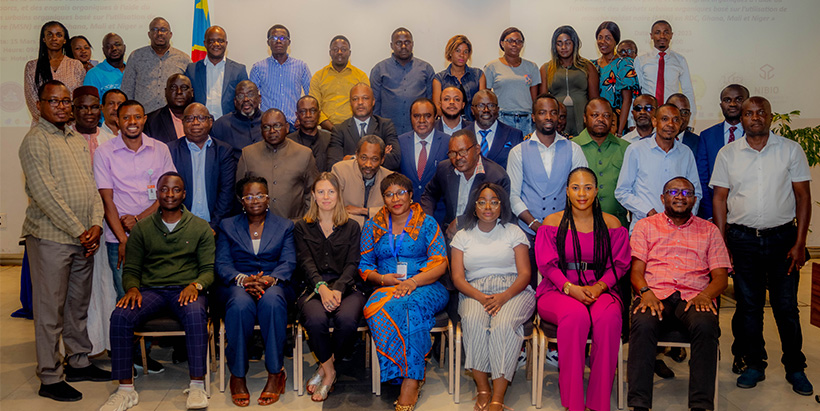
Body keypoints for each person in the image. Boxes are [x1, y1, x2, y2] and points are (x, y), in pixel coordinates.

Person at [712, 96, 814, 396]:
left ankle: (795, 367)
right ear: (740, 119)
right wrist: (721, 244)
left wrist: (800, 243)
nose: (754, 118)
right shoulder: (728, 154)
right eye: (748, 113)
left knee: (786, 308)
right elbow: (719, 198)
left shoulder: (790, 150)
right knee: (748, 307)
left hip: (783, 240)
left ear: (770, 116)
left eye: (760, 113)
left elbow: (803, 198)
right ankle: (755, 364)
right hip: (742, 241)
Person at [20, 80, 110, 402]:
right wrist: (79, 230)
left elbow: (92, 186)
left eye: (64, 102)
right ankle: (49, 376)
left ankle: (79, 361)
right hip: (51, 239)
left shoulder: (75, 139)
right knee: (50, 311)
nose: (61, 106)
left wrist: (96, 224)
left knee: (76, 307)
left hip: (84, 239)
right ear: (40, 104)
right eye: (53, 101)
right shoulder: (34, 141)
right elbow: (46, 195)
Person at [99, 172, 214, 411]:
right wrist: (131, 288)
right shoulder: (142, 228)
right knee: (120, 315)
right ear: (157, 193)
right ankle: (125, 389)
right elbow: (131, 268)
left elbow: (208, 270)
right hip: (151, 291)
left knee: (196, 316)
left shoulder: (200, 227)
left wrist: (195, 285)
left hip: (186, 290)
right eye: (164, 189)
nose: (169, 194)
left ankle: (196, 385)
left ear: (184, 194)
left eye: (175, 190)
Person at [628, 177, 730, 411]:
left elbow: (721, 277)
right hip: (655, 294)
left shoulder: (710, 230)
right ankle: (639, 404)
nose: (680, 196)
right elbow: (635, 271)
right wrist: (645, 292)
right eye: (673, 192)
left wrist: (706, 296)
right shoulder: (646, 226)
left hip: (695, 297)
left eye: (686, 193)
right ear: (663, 198)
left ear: (694, 199)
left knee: (706, 325)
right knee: (642, 323)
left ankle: (700, 405)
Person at [536, 167, 630, 411]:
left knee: (609, 317)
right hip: (558, 288)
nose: (582, 193)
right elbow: (547, 264)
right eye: (576, 188)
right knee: (575, 316)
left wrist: (600, 287)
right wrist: (570, 288)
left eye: (588, 187)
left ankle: (599, 402)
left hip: (601, 287)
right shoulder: (552, 223)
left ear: (597, 191)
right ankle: (573, 401)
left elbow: (619, 265)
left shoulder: (612, 224)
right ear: (567, 192)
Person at [359, 172, 449, 411]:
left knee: (408, 306)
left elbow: (441, 263)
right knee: (373, 308)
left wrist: (414, 282)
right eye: (389, 194)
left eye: (400, 193)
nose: (395, 198)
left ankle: (411, 380)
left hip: (426, 285)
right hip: (387, 286)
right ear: (383, 199)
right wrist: (381, 278)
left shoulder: (427, 223)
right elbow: (365, 265)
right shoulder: (373, 225)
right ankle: (404, 369)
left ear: (410, 195)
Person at [450, 183, 535, 411]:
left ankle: (498, 396)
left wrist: (503, 297)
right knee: (473, 322)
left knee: (503, 325)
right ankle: (483, 389)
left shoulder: (513, 231)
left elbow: (525, 274)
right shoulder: (462, 236)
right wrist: (481, 296)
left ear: (502, 205)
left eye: (494, 201)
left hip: (513, 289)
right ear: (474, 206)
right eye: (482, 201)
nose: (488, 206)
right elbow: (458, 278)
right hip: (473, 291)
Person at [215, 176, 296, 407]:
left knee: (272, 302)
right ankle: (237, 376)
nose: (255, 200)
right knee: (240, 305)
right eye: (249, 196)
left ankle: (274, 374)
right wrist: (242, 279)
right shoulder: (227, 225)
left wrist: (270, 279)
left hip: (274, 284)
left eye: (260, 195)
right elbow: (222, 263)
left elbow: (288, 262)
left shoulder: (285, 226)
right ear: (242, 201)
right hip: (238, 285)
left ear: (268, 198)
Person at [94, 100, 177, 302]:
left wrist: (139, 219)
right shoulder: (104, 152)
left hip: (158, 235)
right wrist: (124, 239)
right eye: (126, 117)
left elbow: (168, 196)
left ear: (144, 119)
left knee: (158, 294)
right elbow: (107, 200)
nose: (132, 121)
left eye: (137, 117)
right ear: (117, 120)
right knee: (127, 297)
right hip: (119, 239)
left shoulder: (161, 149)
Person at [294, 172, 365, 402]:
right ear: (313, 195)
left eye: (331, 191)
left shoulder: (353, 226)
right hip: (313, 288)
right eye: (321, 191)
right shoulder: (302, 227)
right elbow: (305, 263)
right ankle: (330, 373)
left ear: (338, 195)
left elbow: (353, 263)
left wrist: (338, 289)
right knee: (316, 320)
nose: (326, 197)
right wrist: (322, 288)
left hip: (346, 287)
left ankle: (325, 367)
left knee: (347, 320)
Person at [615, 104, 700, 231]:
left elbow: (696, 192)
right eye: (665, 119)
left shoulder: (686, 152)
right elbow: (622, 192)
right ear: (654, 121)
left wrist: (684, 217)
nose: (670, 124)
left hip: (679, 229)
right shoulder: (636, 150)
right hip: (645, 227)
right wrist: (648, 211)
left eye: (676, 120)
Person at [420, 129, 510, 239]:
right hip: (450, 235)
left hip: (483, 237)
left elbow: (501, 213)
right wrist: (428, 221)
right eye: (452, 153)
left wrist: (461, 221)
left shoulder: (496, 176)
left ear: (477, 149)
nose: (458, 158)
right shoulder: (444, 169)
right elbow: (429, 194)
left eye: (463, 152)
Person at [236, 108, 319, 219]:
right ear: (261, 130)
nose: (272, 131)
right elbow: (239, 193)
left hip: (294, 226)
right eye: (266, 127)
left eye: (277, 126)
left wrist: (305, 222)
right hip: (257, 226)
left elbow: (313, 193)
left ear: (287, 128)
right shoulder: (248, 154)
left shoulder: (304, 154)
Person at [167, 103, 237, 229]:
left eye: (201, 118)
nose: (195, 123)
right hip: (179, 227)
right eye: (189, 118)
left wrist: (214, 226)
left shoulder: (223, 151)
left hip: (215, 227)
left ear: (210, 122)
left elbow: (227, 192)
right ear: (182, 123)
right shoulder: (170, 150)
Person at [695, 84, 749, 221]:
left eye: (738, 99)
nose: (732, 104)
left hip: (749, 214)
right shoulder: (707, 136)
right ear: (721, 105)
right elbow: (702, 179)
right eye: (727, 100)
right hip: (714, 212)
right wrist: (710, 213)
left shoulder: (757, 135)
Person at [573, 98, 630, 227]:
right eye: (595, 115)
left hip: (617, 226)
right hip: (580, 227)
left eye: (606, 116)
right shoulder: (571, 147)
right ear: (585, 118)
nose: (601, 119)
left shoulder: (626, 148)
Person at [370, 27, 434, 136]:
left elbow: (431, 104)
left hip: (418, 133)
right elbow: (375, 105)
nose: (403, 46)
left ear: (412, 44)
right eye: (399, 43)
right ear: (391, 46)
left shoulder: (426, 69)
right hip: (388, 133)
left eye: (407, 42)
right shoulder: (379, 69)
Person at [121, 17, 191, 114]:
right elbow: (127, 90)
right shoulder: (136, 56)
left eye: (163, 30)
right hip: (142, 117)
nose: (159, 33)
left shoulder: (184, 59)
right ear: (149, 34)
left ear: (170, 35)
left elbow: (189, 92)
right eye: (154, 29)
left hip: (173, 117)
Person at [540, 25, 600, 138]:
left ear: (574, 44)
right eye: (559, 43)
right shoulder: (546, 68)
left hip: (582, 120)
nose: (563, 47)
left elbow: (594, 101)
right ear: (554, 46)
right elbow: (543, 102)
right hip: (557, 121)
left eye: (567, 43)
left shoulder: (587, 67)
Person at [249, 24, 311, 128]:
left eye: (283, 38)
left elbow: (310, 96)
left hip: (294, 125)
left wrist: (302, 118)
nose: (278, 41)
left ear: (289, 42)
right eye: (274, 38)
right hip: (268, 126)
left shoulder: (301, 66)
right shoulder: (258, 68)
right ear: (268, 42)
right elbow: (251, 99)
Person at [24, 21, 85, 125]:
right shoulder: (32, 66)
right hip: (42, 127)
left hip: (70, 126)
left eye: (59, 35)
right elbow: (32, 102)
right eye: (49, 34)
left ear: (65, 40)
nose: (54, 38)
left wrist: (67, 116)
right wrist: (51, 121)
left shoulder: (76, 65)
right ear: (43, 39)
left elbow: (79, 97)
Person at [328, 82, 401, 170]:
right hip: (350, 182)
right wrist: (378, 156)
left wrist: (352, 158)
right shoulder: (339, 130)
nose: (360, 103)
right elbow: (333, 165)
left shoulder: (385, 126)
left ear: (373, 101)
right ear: (350, 103)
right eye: (355, 99)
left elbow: (394, 160)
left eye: (365, 98)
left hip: (380, 181)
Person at [484, 27, 541, 135]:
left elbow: (535, 100)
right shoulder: (492, 67)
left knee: (527, 151)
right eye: (510, 41)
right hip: (502, 118)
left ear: (522, 45)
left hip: (527, 119)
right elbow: (486, 97)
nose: (514, 44)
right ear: (502, 43)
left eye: (518, 41)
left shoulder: (531, 67)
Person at [185, 25, 248, 120]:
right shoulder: (191, 69)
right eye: (211, 41)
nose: (216, 44)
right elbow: (187, 100)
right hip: (199, 126)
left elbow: (244, 101)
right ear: (205, 43)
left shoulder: (239, 70)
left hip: (229, 126)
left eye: (220, 40)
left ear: (226, 44)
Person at [634, 20, 696, 116]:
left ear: (671, 35)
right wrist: (632, 122)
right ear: (651, 36)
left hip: (671, 115)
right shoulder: (641, 60)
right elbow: (636, 92)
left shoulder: (680, 60)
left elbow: (688, 91)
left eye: (666, 32)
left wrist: (690, 121)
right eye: (657, 32)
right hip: (647, 115)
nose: (662, 36)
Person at [310, 35, 370, 131]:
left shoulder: (360, 76)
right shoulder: (318, 76)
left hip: (353, 129)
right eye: (335, 49)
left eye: (343, 49)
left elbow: (365, 105)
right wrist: (332, 128)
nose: (339, 52)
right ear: (330, 53)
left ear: (349, 53)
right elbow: (314, 107)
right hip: (325, 130)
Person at [397, 98, 450, 202]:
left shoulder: (448, 142)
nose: (422, 120)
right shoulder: (399, 142)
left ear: (435, 117)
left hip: (438, 212)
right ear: (410, 117)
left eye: (427, 116)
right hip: (408, 211)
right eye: (416, 116)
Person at [331, 135, 392, 226]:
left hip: (377, 233)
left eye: (374, 159)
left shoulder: (389, 178)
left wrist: (364, 211)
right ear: (356, 155)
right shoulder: (340, 170)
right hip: (344, 230)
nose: (368, 164)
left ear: (382, 159)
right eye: (363, 158)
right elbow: (331, 207)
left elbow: (395, 211)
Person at [592, 21, 639, 136]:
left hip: (617, 123)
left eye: (608, 38)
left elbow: (627, 100)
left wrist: (619, 132)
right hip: (596, 123)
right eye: (600, 37)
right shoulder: (592, 65)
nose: (603, 42)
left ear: (615, 41)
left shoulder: (624, 64)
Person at [432, 35, 486, 122]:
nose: (462, 55)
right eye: (458, 51)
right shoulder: (439, 78)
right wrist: (454, 123)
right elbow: (437, 107)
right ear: (450, 53)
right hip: (449, 126)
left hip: (473, 125)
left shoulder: (478, 75)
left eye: (465, 52)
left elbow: (483, 104)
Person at [466, 90, 524, 169]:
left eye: (491, 106)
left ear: (497, 109)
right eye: (480, 106)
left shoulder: (514, 135)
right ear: (472, 110)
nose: (486, 110)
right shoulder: (462, 135)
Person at [211, 80, 263, 162]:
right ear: (235, 102)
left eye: (250, 95)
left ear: (259, 98)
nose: (246, 99)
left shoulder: (269, 122)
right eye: (240, 96)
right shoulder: (221, 125)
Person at [143, 73, 194, 144]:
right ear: (165, 92)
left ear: (192, 93)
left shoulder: (202, 119)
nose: (179, 92)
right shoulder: (150, 122)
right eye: (173, 88)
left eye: (184, 88)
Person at [287, 95, 332, 172]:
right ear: (297, 115)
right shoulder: (288, 142)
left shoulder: (330, 139)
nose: (308, 115)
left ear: (319, 114)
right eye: (303, 111)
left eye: (313, 111)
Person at [72, 86, 116, 161]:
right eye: (83, 107)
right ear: (73, 110)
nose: (89, 112)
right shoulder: (63, 139)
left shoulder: (112, 141)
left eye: (94, 107)